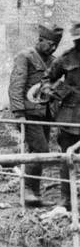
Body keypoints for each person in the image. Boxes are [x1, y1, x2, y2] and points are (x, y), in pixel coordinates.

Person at [8, 22, 62, 206]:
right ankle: (27, 189)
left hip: (45, 114)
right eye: (50, 44)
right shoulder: (25, 57)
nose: (53, 48)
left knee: (36, 152)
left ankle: (33, 194)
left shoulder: (54, 61)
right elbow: (16, 86)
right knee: (41, 150)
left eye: (56, 45)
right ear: (40, 40)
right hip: (28, 113)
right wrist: (18, 113)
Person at [43, 21, 80, 209]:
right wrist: (53, 90)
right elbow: (47, 80)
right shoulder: (66, 59)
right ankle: (67, 199)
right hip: (71, 117)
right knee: (67, 158)